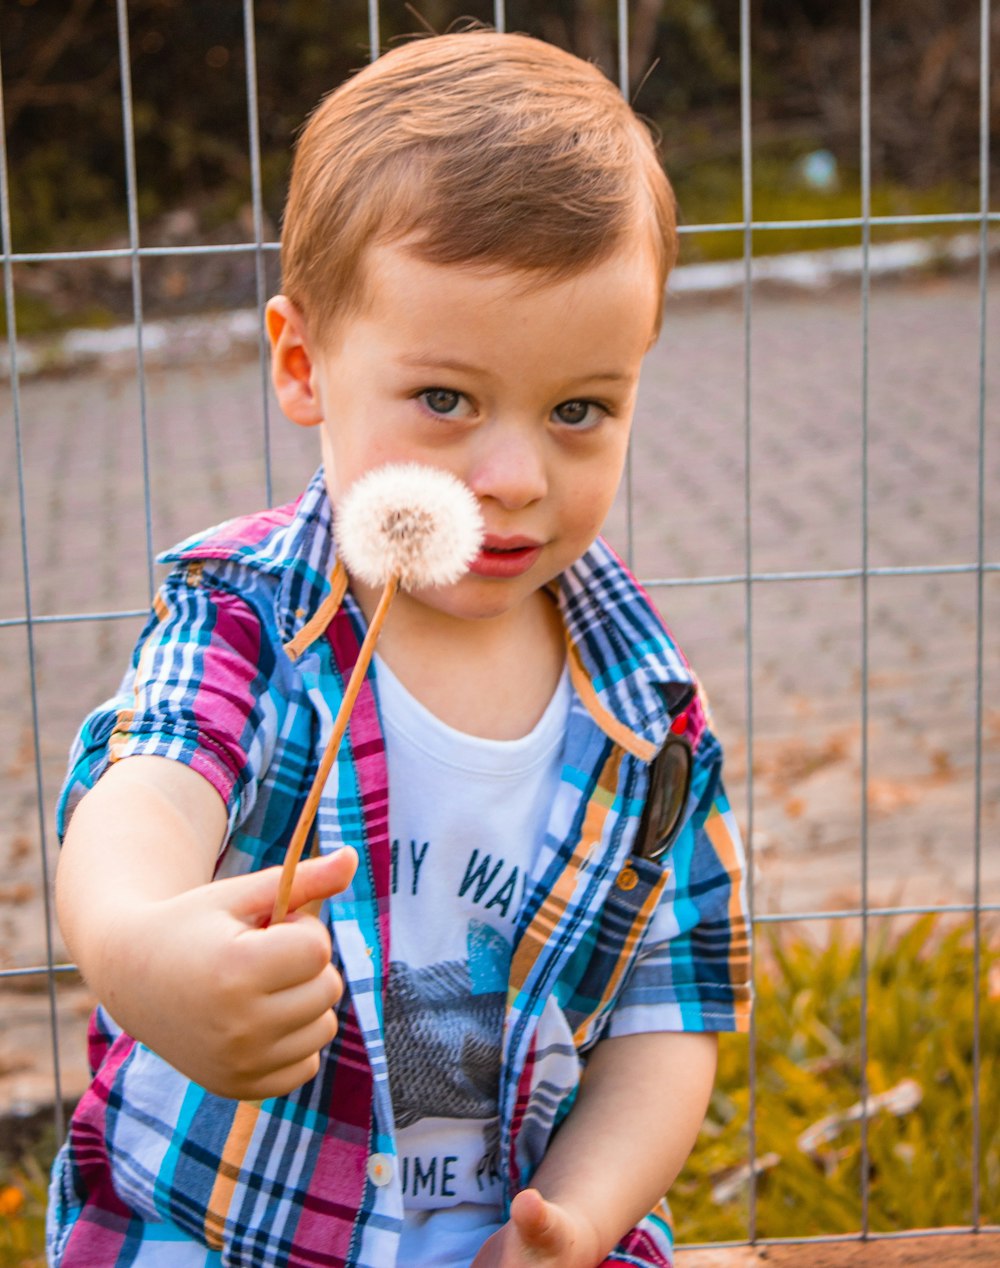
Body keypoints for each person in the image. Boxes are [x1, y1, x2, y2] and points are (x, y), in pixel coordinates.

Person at [48, 27, 751, 1268]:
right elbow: (143, 793)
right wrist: (141, 951)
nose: (514, 477)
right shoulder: (251, 614)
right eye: (446, 399)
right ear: (303, 361)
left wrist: (577, 1218)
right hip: (225, 1234)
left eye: (579, 409)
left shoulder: (648, 709)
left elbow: (668, 1013)